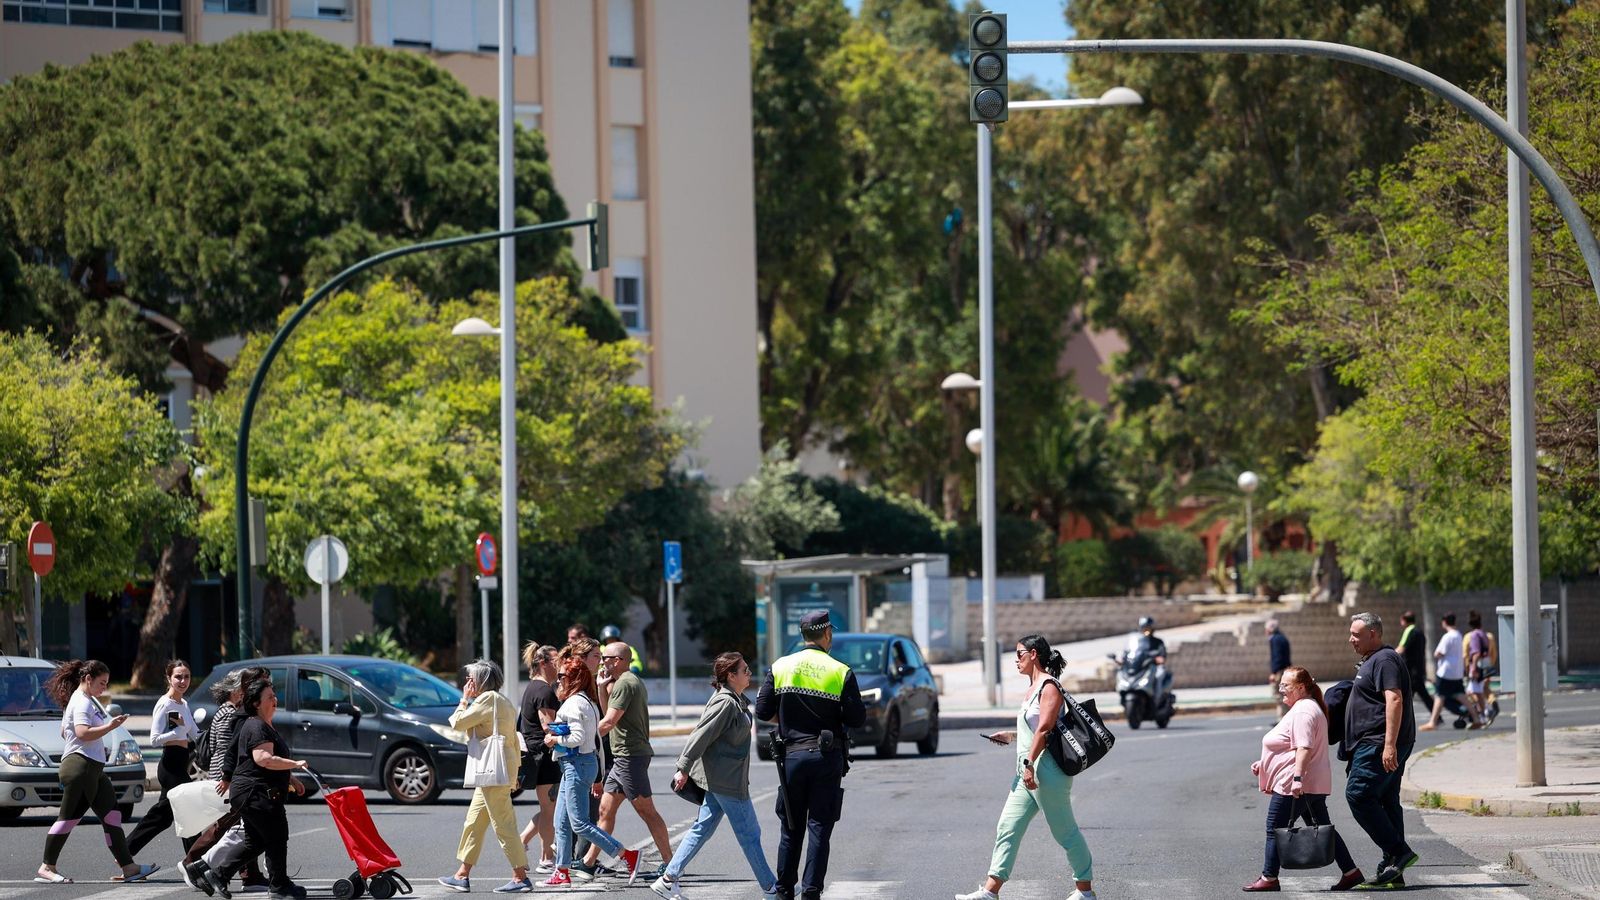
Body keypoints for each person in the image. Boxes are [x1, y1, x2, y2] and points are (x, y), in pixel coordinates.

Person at [956, 635, 1094, 900]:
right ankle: (990, 892)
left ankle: (1085, 891)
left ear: (1033, 654)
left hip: (1047, 772)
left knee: (1065, 832)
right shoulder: (1032, 688)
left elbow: (1045, 729)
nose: (1016, 660)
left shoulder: (1049, 686)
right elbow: (1034, 730)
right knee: (1008, 826)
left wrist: (1029, 764)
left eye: (1019, 654)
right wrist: (1011, 736)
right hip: (1027, 772)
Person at [754, 610, 867, 900]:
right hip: (826, 758)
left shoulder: (780, 666)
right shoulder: (840, 671)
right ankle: (811, 891)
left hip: (792, 757)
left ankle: (784, 890)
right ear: (827, 634)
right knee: (819, 827)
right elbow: (857, 718)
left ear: (803, 635)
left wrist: (788, 719)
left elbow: (762, 711)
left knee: (791, 828)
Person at [650, 652, 778, 899]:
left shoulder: (736, 700)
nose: (749, 673)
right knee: (750, 834)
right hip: (726, 781)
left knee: (702, 829)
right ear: (731, 676)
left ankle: (668, 879)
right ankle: (771, 887)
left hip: (724, 778)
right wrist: (683, 767)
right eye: (745, 670)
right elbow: (701, 735)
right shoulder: (725, 703)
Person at [34, 659, 160, 885]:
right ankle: (47, 867)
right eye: (102, 682)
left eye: (107, 683)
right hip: (80, 768)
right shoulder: (82, 702)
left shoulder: (83, 700)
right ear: (88, 679)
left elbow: (65, 731)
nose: (105, 687)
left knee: (112, 816)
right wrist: (110, 726)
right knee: (68, 819)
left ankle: (129, 867)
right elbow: (82, 732)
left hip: (93, 769)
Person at [1242, 666, 1363, 892]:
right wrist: (1265, 763)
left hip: (1296, 784)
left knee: (1274, 827)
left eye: (1285, 685)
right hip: (1311, 782)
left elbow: (1304, 748)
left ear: (1300, 687)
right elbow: (1291, 746)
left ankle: (1269, 877)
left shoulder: (1303, 711)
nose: (1281, 689)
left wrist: (1297, 778)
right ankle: (1351, 872)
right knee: (1323, 827)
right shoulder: (1307, 707)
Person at [198, 678, 309, 900]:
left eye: (274, 696)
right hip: (256, 792)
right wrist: (295, 764)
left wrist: (291, 778)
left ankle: (218, 875)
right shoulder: (257, 726)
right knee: (277, 836)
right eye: (269, 697)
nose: (275, 700)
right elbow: (263, 759)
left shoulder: (263, 725)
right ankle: (279, 886)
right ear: (256, 703)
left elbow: (264, 760)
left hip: (251, 792)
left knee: (255, 841)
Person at [576, 641, 673, 881]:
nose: (602, 662)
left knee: (647, 811)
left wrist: (580, 738)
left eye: (606, 658)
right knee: (605, 810)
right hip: (622, 757)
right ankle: (588, 862)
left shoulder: (625, 684)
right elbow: (609, 713)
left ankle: (671, 864)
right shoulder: (622, 682)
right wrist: (601, 687)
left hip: (631, 757)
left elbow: (609, 722)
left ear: (618, 661)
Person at [542, 657, 640, 887]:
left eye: (562, 676)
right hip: (578, 764)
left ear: (574, 678)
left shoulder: (574, 704)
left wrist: (554, 739)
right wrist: (598, 775)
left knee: (579, 823)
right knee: (561, 822)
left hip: (576, 764)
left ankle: (627, 855)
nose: (558, 680)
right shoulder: (586, 701)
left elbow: (577, 738)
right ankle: (561, 871)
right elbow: (596, 741)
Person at [437, 660, 531, 894]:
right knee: (474, 822)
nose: (467, 682)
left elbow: (458, 723)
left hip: (492, 773)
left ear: (480, 681)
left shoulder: (486, 699)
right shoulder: (503, 701)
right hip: (496, 772)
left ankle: (520, 877)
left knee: (504, 824)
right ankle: (462, 874)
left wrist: (464, 699)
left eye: (470, 679)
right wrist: (514, 773)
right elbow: (513, 740)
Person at [1343, 612, 1418, 889]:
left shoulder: (1385, 660)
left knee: (1359, 794)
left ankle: (1399, 852)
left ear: (1373, 634)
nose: (1351, 639)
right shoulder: (1375, 659)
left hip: (1378, 744)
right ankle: (1393, 870)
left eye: (1356, 634)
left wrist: (1389, 744)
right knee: (1386, 800)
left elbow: (1394, 699)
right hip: (1377, 742)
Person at [184, 668, 269, 894]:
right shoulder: (229, 714)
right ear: (238, 690)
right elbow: (227, 749)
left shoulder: (231, 712)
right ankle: (192, 863)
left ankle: (250, 875)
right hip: (228, 779)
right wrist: (228, 777)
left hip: (230, 777)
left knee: (240, 826)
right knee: (227, 826)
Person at [127, 659, 200, 856]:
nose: (183, 681)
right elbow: (154, 739)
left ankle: (125, 850)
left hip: (181, 763)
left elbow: (195, 733)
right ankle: (195, 859)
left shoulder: (183, 703)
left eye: (186, 677)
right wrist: (176, 733)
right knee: (189, 810)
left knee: (163, 816)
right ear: (169, 678)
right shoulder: (165, 704)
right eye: (178, 677)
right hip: (170, 765)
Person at [517, 643, 562, 872]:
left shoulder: (534, 687)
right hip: (544, 755)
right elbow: (548, 727)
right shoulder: (544, 691)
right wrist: (571, 733)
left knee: (549, 807)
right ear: (543, 663)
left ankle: (522, 841)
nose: (560, 665)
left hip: (538, 754)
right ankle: (546, 858)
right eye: (556, 661)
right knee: (549, 809)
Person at [1421, 613, 1470, 731]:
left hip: (1446, 672)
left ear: (1444, 622)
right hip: (1457, 672)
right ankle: (1476, 717)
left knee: (1439, 696)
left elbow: (1438, 653)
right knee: (1461, 695)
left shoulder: (1447, 637)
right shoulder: (1458, 635)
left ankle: (1433, 722)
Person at [1124, 616, 1171, 707]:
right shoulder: (1138, 642)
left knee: (1159, 676)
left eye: (1148, 628)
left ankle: (1157, 700)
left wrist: (1158, 659)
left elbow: (1162, 656)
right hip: (1142, 667)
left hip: (1154, 666)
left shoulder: (1158, 642)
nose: (1146, 630)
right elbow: (1130, 653)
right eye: (1144, 628)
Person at [1394, 611, 1434, 714]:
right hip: (1418, 668)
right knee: (1419, 694)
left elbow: (1401, 648)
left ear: (1404, 620)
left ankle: (1401, 716)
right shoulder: (1419, 632)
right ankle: (1436, 716)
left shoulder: (1409, 630)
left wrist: (1389, 655)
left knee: (1407, 695)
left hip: (1411, 670)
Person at [1266, 621, 1291, 718]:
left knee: (1278, 694)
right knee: (1284, 693)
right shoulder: (1282, 638)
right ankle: (1282, 716)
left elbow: (1277, 657)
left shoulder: (1275, 639)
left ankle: (1283, 717)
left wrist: (1274, 672)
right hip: (1285, 669)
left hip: (1279, 671)